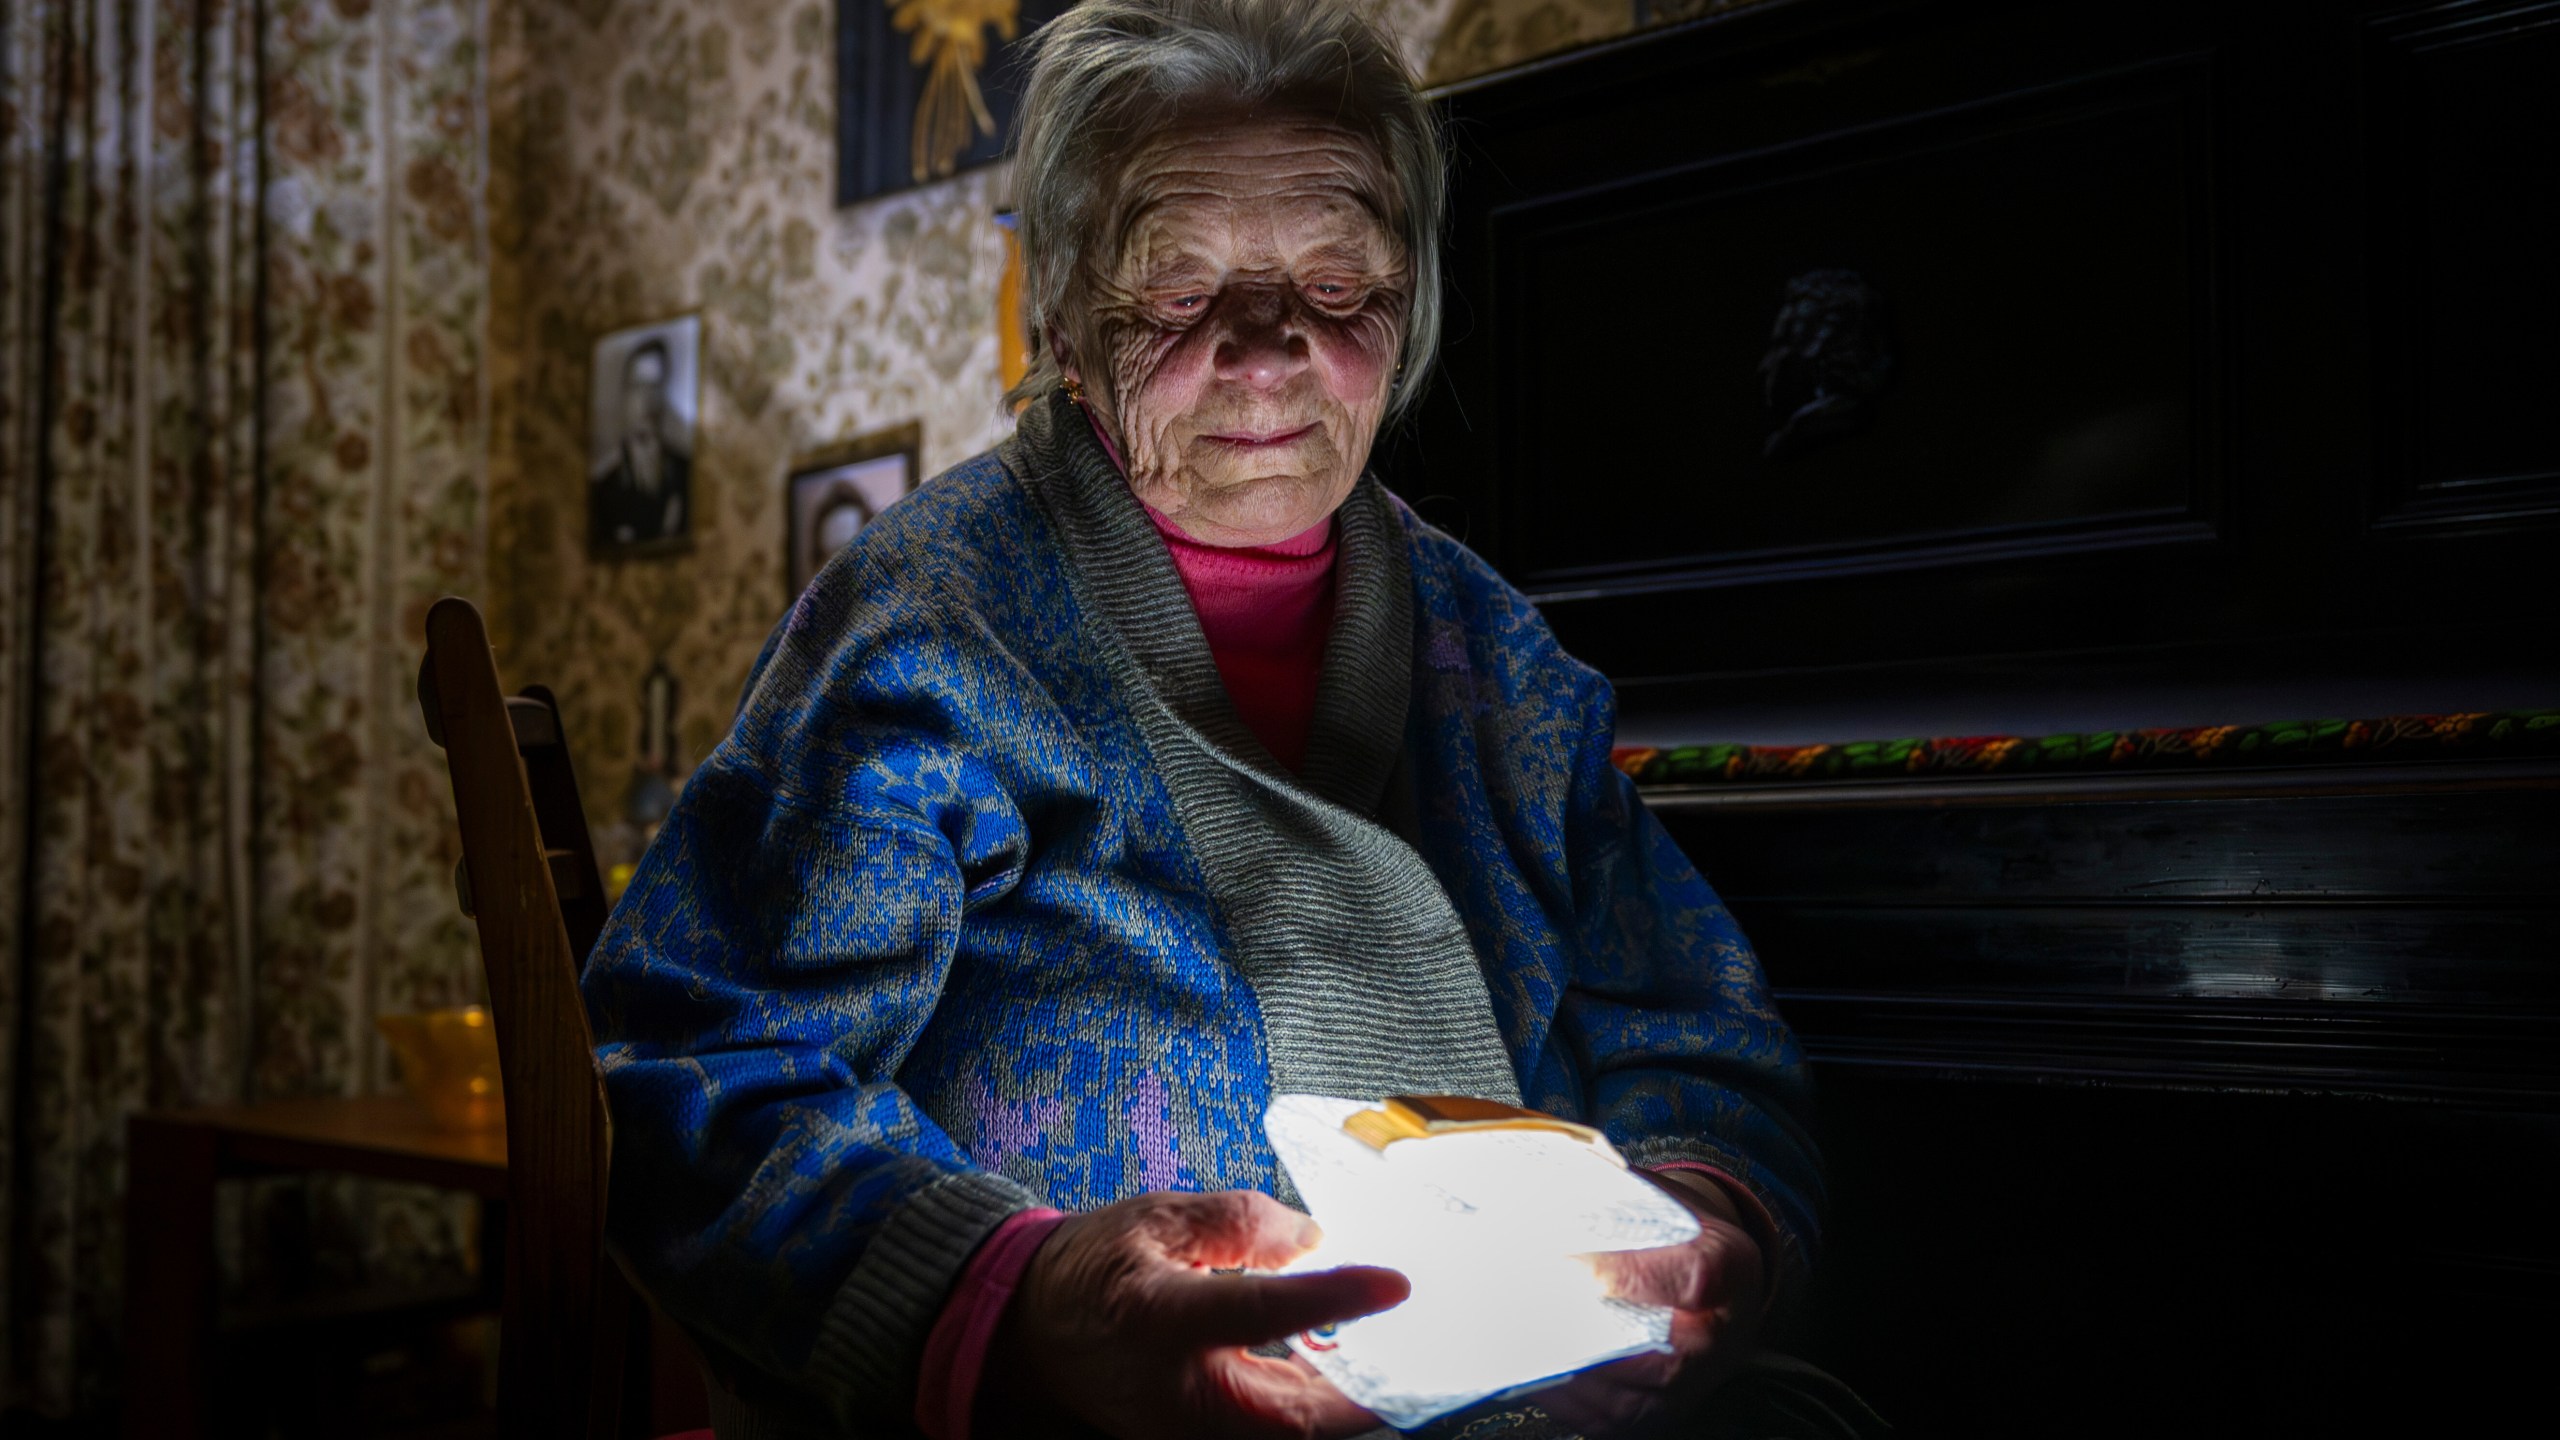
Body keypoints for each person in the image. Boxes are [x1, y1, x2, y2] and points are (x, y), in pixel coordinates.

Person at [585, 3, 1865, 1436]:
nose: (1270, 358)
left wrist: (1700, 1230)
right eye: (1181, 292)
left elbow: (1697, 1029)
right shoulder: (929, 626)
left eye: (1336, 283)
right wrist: (1020, 1300)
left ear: (1411, 308)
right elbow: (688, 1074)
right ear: (1064, 321)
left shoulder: (1492, 651)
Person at [591, 336, 691, 550]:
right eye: (639, 387)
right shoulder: (603, 490)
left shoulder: (686, 474)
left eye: (655, 387)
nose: (647, 399)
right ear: (625, 395)